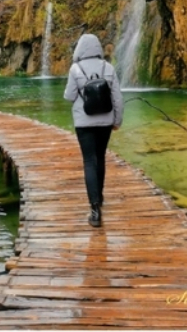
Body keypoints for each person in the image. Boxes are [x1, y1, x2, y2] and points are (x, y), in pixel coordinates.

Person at [63, 34, 124, 228]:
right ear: (98, 48)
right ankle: (100, 195)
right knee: (100, 157)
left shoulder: (75, 69)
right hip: (105, 122)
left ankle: (95, 210)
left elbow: (69, 96)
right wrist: (117, 121)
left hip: (84, 123)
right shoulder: (108, 68)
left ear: (80, 49)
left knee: (89, 161)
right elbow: (118, 99)